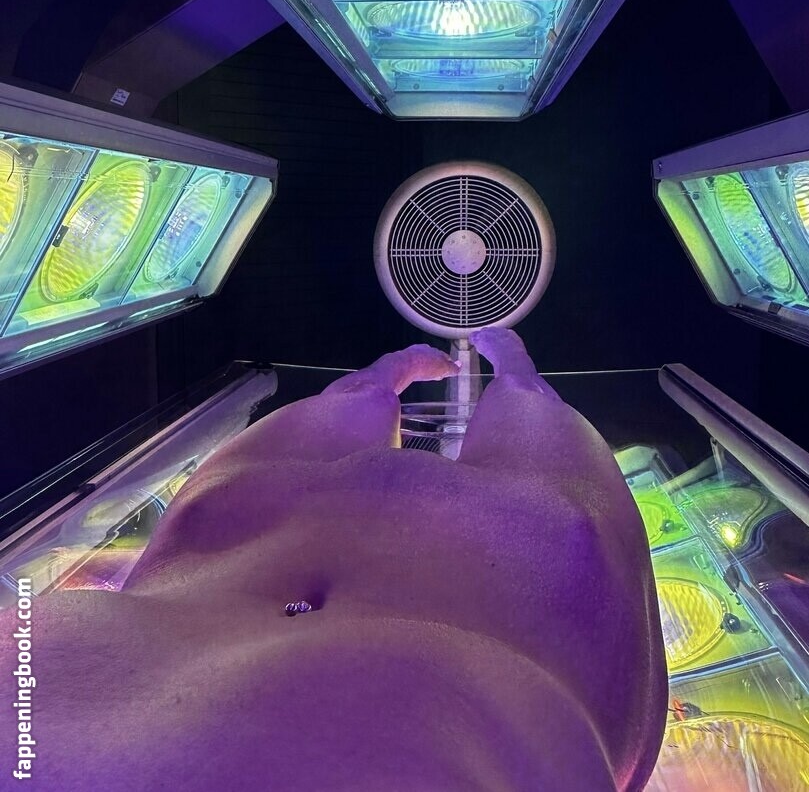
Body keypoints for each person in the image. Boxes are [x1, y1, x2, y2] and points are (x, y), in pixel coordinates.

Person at [0, 328, 666, 790]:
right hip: (519, 598)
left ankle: (401, 379)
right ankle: (505, 374)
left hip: (218, 554)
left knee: (337, 416)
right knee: (533, 435)